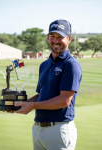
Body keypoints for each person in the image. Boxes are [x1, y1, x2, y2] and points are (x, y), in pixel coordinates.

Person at [15, 19, 82, 150]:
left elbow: (64, 100)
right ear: (48, 37)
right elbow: (41, 94)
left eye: (60, 37)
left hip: (59, 129)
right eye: (52, 36)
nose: (55, 41)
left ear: (68, 38)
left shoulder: (71, 65)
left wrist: (33, 105)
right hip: (38, 129)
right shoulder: (44, 64)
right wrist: (22, 104)